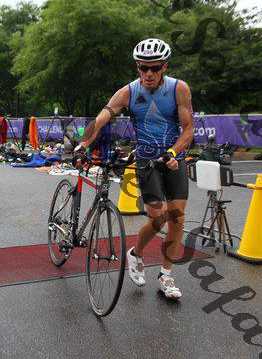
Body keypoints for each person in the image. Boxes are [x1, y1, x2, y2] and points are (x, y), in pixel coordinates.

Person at [78, 38, 194, 300]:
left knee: (177, 217)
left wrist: (173, 152)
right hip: (146, 160)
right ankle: (136, 253)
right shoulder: (128, 92)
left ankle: (165, 275)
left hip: (173, 158)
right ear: (137, 68)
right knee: (158, 219)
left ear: (165, 66)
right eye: (143, 68)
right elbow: (101, 118)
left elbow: (188, 129)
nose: (149, 73)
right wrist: (82, 144)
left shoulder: (179, 89)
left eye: (155, 68)